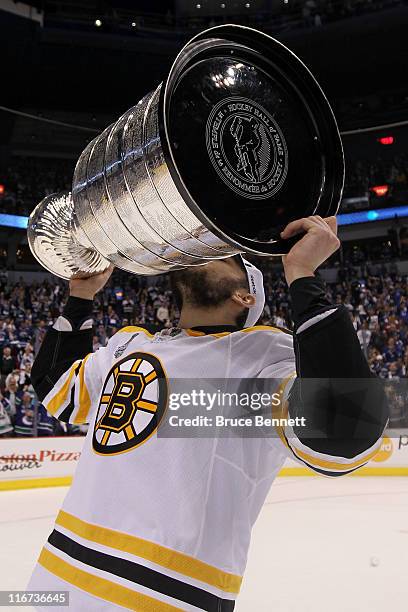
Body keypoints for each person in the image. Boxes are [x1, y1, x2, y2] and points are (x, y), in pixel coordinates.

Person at [27, 216, 387, 611]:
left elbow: (345, 434)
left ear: (244, 297)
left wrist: (302, 275)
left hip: (159, 596)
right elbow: (56, 386)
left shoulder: (261, 359)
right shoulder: (128, 343)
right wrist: (81, 293)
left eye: (223, 256)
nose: (206, 252)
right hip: (52, 583)